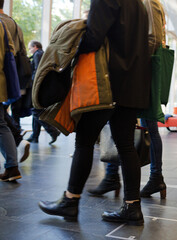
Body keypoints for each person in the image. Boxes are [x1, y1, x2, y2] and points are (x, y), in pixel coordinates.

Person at [38, 0, 150, 225]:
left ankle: (70, 202)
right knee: (126, 145)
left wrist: (70, 45)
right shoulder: (139, 4)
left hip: (105, 83)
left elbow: (93, 39)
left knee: (85, 141)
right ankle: (132, 207)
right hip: (134, 84)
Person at [87, 0, 167, 200]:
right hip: (137, 68)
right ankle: (113, 175)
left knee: (147, 125)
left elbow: (154, 38)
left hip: (140, 68)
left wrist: (132, 59)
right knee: (121, 126)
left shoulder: (147, 2)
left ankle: (155, 177)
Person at [0, 1, 31, 131]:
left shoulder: (1, 22)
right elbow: (22, 48)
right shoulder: (14, 23)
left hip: (3, 69)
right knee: (9, 109)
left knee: (2, 115)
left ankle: (17, 137)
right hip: (15, 69)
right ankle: (17, 136)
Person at [0, 19, 22, 182]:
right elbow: (12, 51)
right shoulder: (4, 24)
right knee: (1, 124)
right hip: (2, 81)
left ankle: (12, 166)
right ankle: (12, 166)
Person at [26, 40, 60, 145]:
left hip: (37, 87)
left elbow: (38, 71)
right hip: (41, 87)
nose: (29, 50)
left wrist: (33, 85)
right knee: (36, 111)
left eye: (30, 48)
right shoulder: (41, 54)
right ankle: (35, 136)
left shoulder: (38, 54)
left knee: (36, 111)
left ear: (35, 46)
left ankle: (53, 131)